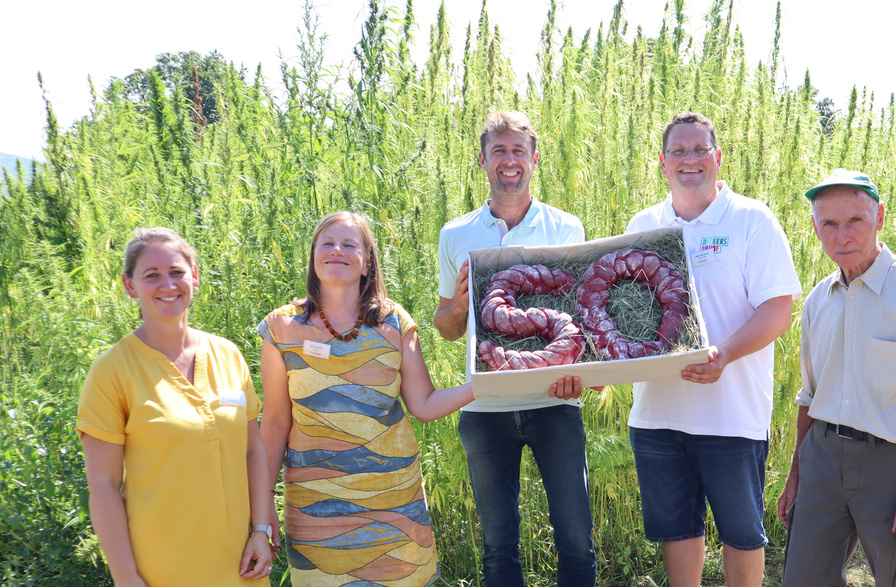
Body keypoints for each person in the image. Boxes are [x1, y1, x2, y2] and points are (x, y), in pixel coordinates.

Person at [623, 112, 802, 587]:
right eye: (678, 151)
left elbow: (777, 312)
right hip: (658, 415)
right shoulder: (643, 225)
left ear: (717, 158)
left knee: (741, 535)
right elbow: (626, 310)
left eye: (700, 149)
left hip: (732, 415)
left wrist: (724, 354)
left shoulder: (751, 221)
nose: (690, 160)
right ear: (662, 163)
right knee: (677, 531)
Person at [259, 211, 474, 586]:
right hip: (317, 513)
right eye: (326, 243)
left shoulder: (394, 324)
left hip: (394, 508)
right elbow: (275, 423)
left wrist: (484, 385)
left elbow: (423, 404)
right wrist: (262, 509)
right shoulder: (282, 329)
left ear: (367, 262)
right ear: (313, 257)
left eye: (348, 244)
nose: (336, 250)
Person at [777, 169, 896, 587]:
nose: (841, 235)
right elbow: (809, 397)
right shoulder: (816, 302)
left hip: (892, 463)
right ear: (816, 228)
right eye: (829, 223)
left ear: (880, 217)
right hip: (822, 459)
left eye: (855, 221)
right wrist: (796, 475)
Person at [434, 110, 596, 585]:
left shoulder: (566, 228)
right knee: (498, 545)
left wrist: (580, 374)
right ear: (482, 160)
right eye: (499, 151)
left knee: (575, 540)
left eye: (518, 151)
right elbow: (445, 326)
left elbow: (575, 318)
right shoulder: (455, 234)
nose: (509, 161)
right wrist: (460, 305)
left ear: (534, 159)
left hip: (555, 402)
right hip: (485, 409)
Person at [77, 227, 274, 587]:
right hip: (163, 569)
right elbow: (103, 486)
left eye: (177, 272)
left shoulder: (227, 354)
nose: (167, 285)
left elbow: (254, 452)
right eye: (151, 275)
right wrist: (125, 577)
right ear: (129, 285)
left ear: (195, 276)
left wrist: (261, 529)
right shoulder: (112, 371)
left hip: (242, 566)